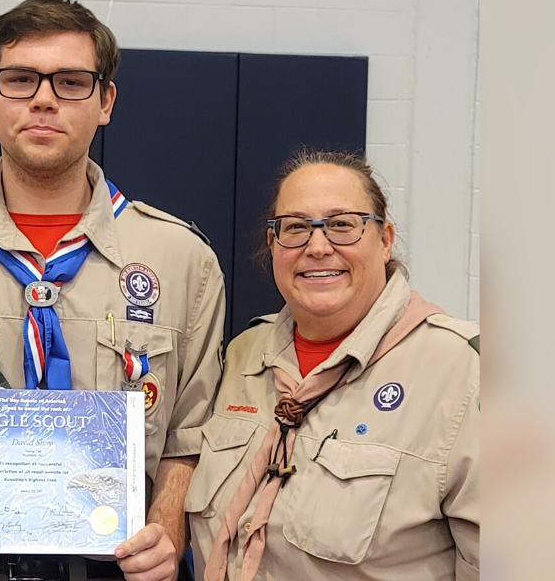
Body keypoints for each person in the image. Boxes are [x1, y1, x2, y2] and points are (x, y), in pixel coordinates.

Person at [0, 0, 226, 581]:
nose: (43, 98)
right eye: (21, 79)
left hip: (115, 568)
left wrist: (167, 530)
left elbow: (191, 429)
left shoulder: (182, 261)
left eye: (70, 82)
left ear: (105, 101)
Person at [185, 150, 479, 581]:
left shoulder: (464, 374)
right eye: (296, 228)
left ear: (384, 240)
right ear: (273, 246)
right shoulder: (243, 357)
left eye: (342, 225)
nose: (318, 247)